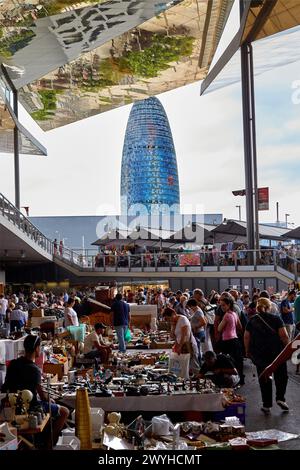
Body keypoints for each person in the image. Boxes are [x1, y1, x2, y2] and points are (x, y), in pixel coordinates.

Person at [1, 335, 69, 448]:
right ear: (37, 348)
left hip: (13, 405)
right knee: (65, 411)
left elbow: (5, 387)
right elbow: (42, 397)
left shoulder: (13, 364)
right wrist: (50, 399)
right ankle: (49, 445)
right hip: (31, 407)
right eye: (40, 347)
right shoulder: (34, 369)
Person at [244, 297, 290, 413]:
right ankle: (280, 398)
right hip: (277, 352)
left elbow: (246, 336)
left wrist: (247, 351)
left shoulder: (252, 320)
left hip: (259, 354)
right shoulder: (276, 319)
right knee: (281, 376)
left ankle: (266, 404)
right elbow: (284, 336)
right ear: (269, 307)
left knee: (264, 377)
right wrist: (287, 348)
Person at [163, 307, 199, 373]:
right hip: (181, 346)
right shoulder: (174, 322)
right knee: (184, 366)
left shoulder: (183, 319)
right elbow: (172, 336)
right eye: (167, 319)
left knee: (193, 365)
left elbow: (184, 335)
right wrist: (173, 326)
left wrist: (180, 346)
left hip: (188, 345)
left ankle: (198, 379)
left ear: (173, 314)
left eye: (169, 318)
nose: (169, 320)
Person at [217, 295, 244, 384]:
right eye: (221, 305)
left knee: (228, 362)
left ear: (228, 305)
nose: (222, 307)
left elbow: (219, 329)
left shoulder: (227, 315)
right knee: (238, 361)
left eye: (223, 305)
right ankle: (240, 380)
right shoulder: (234, 314)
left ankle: (230, 381)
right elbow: (240, 327)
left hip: (227, 341)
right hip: (235, 340)